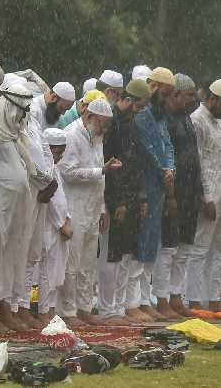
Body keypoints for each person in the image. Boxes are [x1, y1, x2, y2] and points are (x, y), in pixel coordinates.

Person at [0, 83, 34, 333]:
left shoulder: (12, 133)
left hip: (16, 203)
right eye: (20, 112)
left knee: (13, 256)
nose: (22, 118)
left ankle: (7, 307)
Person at [57, 98, 117, 326]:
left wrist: (102, 208)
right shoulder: (71, 135)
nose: (105, 128)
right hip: (74, 207)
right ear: (90, 117)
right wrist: (100, 170)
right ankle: (67, 312)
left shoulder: (98, 137)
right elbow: (68, 172)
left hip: (92, 208)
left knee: (88, 263)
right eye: (103, 123)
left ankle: (83, 308)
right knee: (72, 263)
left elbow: (99, 177)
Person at [100, 79, 151, 325]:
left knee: (126, 254)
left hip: (131, 195)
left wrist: (140, 197)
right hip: (115, 196)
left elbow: (135, 164)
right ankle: (107, 308)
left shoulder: (130, 123)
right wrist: (118, 201)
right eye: (140, 105)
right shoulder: (112, 124)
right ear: (129, 100)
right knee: (113, 254)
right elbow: (111, 166)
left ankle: (118, 307)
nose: (142, 111)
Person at [130, 67, 176, 321]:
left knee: (152, 244)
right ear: (154, 87)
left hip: (159, 185)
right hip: (144, 185)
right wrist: (162, 169)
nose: (167, 100)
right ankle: (135, 301)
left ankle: (145, 300)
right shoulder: (141, 115)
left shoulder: (160, 115)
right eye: (166, 94)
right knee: (140, 243)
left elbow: (167, 145)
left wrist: (170, 168)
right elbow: (147, 151)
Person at [153, 74, 201, 320]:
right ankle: (161, 300)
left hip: (191, 192)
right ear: (176, 94)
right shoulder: (165, 119)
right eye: (190, 94)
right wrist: (170, 195)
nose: (195, 99)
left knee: (185, 248)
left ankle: (176, 297)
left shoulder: (187, 118)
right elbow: (166, 159)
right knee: (168, 248)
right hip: (174, 192)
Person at [186, 79, 221, 313]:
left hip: (220, 191)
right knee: (199, 248)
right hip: (206, 194)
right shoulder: (197, 120)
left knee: (217, 248)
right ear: (214, 99)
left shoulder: (218, 121)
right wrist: (206, 198)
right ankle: (195, 301)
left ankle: (215, 298)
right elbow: (197, 163)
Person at [37, 128, 72, 324]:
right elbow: (50, 201)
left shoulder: (55, 169)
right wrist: (61, 223)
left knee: (57, 272)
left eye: (61, 152)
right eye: (56, 152)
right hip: (48, 227)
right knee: (45, 273)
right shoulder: (45, 170)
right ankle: (42, 311)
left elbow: (63, 199)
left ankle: (50, 309)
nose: (58, 156)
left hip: (59, 227)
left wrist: (67, 219)